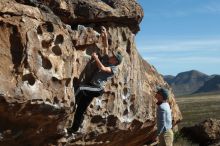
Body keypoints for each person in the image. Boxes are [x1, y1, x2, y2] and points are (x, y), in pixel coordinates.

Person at [67, 26, 123, 133]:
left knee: (81, 88)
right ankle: (74, 129)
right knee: (81, 109)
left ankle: (70, 103)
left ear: (115, 61)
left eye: (113, 57)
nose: (111, 56)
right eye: (112, 55)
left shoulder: (113, 68)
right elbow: (106, 46)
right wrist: (105, 34)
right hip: (92, 86)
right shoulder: (107, 59)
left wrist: (96, 58)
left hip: (97, 89)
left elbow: (102, 68)